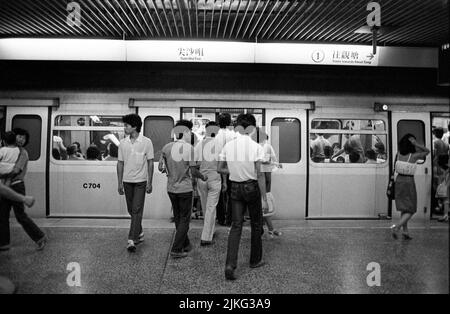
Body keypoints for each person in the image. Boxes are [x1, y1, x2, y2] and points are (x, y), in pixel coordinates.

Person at [218, 113, 268, 281]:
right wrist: (264, 198)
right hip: (251, 187)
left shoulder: (228, 146)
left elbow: (220, 168)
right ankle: (255, 260)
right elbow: (260, 175)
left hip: (235, 189)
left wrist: (233, 170)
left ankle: (230, 265)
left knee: (236, 226)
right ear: (252, 128)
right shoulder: (256, 147)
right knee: (255, 224)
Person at [160, 120, 207, 258]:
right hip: (185, 189)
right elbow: (193, 171)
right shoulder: (189, 149)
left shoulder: (166, 147)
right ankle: (176, 249)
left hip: (171, 188)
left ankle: (185, 244)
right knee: (185, 220)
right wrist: (203, 177)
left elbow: (160, 167)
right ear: (186, 132)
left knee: (178, 218)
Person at [0, 128, 46, 251]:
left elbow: (17, 170)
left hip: (16, 186)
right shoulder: (7, 150)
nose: (21, 139)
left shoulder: (23, 153)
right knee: (2, 215)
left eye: (24, 138)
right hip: (5, 187)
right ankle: (4, 243)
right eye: (19, 136)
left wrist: (3, 178)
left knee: (20, 215)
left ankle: (40, 237)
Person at [117, 114, 154, 252]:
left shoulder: (146, 142)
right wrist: (119, 182)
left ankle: (132, 239)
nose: (124, 127)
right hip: (127, 181)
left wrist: (150, 181)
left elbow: (150, 163)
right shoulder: (122, 143)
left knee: (137, 209)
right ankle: (139, 232)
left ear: (135, 127)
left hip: (140, 182)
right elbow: (120, 163)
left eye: (126, 125)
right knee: (131, 210)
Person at [390, 134, 430, 240]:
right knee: (411, 209)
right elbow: (427, 151)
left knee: (404, 208)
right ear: (411, 144)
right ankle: (397, 227)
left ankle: (405, 232)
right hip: (408, 181)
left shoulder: (397, 154)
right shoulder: (413, 156)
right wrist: (416, 144)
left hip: (398, 180)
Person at [195, 121, 221, 246]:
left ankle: (210, 230)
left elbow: (196, 162)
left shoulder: (200, 144)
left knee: (206, 207)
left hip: (202, 178)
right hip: (215, 178)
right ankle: (206, 237)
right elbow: (223, 164)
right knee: (212, 207)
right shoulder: (221, 144)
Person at [215, 113, 236, 226]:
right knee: (232, 195)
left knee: (218, 195)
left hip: (218, 168)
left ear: (219, 122)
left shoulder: (215, 135)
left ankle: (221, 218)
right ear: (230, 122)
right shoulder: (233, 135)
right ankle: (230, 219)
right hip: (231, 168)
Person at [260, 132, 283, 238]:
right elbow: (273, 162)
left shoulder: (267, 147)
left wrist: (271, 164)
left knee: (264, 203)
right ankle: (270, 229)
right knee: (264, 204)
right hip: (261, 178)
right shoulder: (263, 147)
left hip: (264, 177)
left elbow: (273, 161)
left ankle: (268, 229)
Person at [436, 154, 449, 222]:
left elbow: (441, 177)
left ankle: (445, 216)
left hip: (446, 186)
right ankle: (445, 215)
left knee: (446, 201)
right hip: (447, 185)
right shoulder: (447, 168)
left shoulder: (442, 169)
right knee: (446, 201)